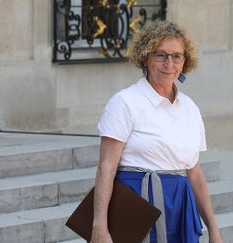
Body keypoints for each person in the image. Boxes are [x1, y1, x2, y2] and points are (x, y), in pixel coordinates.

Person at [91, 21, 223, 243]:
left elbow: (194, 172)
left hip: (180, 203)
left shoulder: (189, 107)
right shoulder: (124, 102)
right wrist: (99, 227)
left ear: (185, 61)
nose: (169, 63)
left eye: (177, 56)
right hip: (135, 203)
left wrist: (214, 229)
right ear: (145, 57)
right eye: (160, 55)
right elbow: (106, 167)